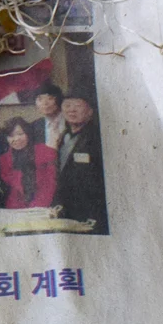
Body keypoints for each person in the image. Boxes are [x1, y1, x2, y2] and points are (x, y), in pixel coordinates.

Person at [52, 93, 108, 230]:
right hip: (66, 211)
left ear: (90, 112)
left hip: (90, 213)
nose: (72, 110)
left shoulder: (98, 137)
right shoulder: (63, 136)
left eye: (78, 106)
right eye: (67, 105)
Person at [0, 117, 57, 210]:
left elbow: (50, 184)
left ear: (28, 133)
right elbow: (13, 191)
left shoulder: (46, 152)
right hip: (16, 208)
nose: (16, 139)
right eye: (11, 135)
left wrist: (36, 208)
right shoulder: (4, 159)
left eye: (20, 134)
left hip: (44, 206)